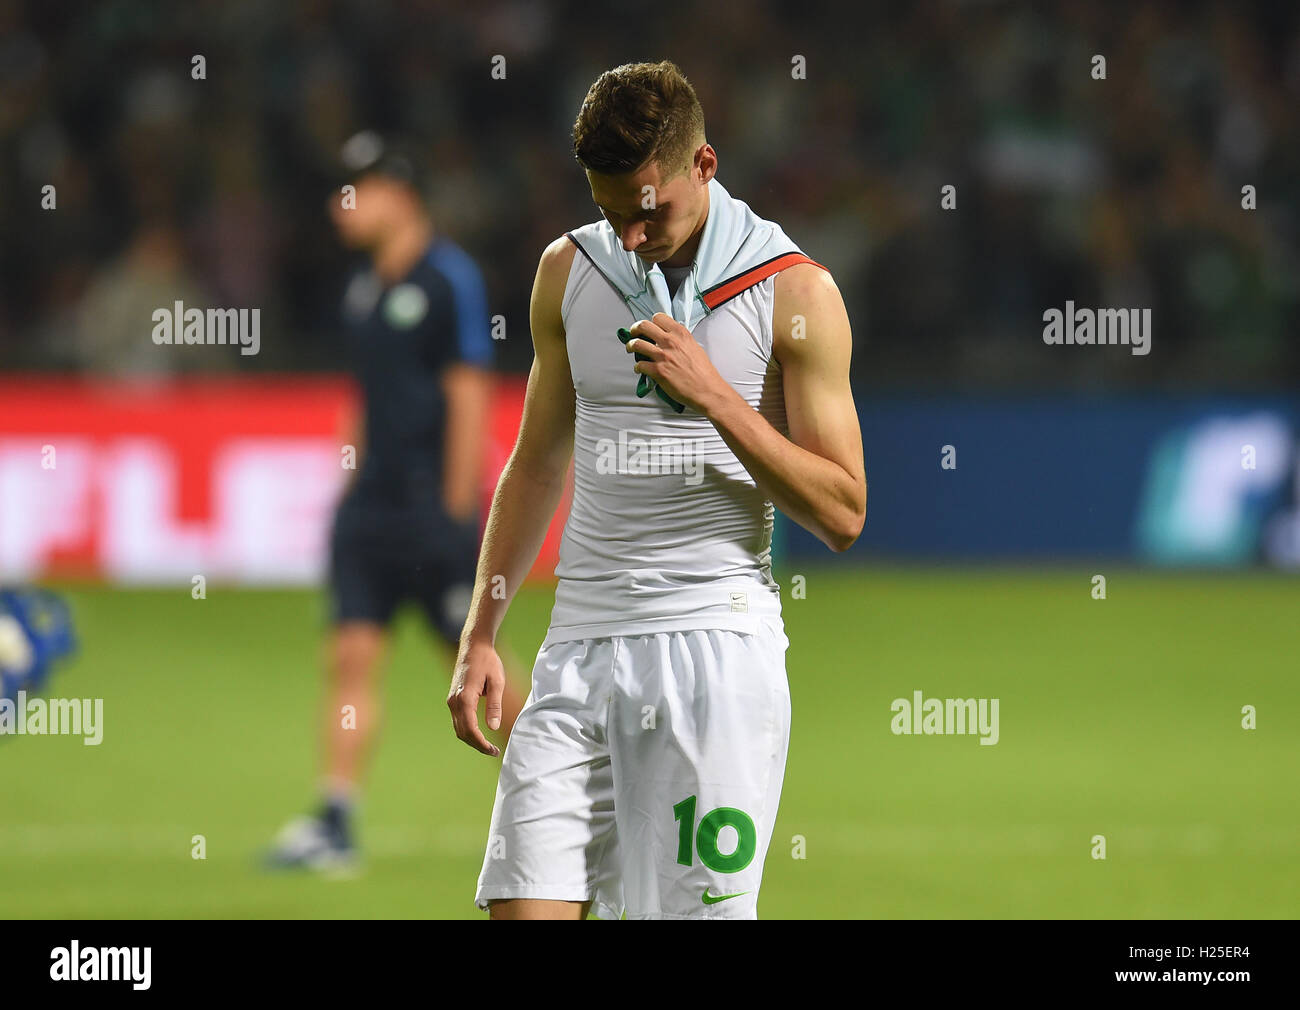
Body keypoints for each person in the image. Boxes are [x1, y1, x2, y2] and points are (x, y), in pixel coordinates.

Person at [447, 62, 867, 918]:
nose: (631, 238)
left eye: (648, 212)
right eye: (610, 214)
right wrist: (482, 629)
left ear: (703, 167)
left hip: (712, 654)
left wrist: (717, 396)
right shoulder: (571, 273)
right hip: (578, 651)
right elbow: (536, 462)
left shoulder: (795, 292)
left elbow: (843, 511)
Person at [267, 131, 526, 871]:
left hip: (428, 511)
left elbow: (470, 391)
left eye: (355, 190)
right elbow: (362, 396)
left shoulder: (449, 280)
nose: (339, 207)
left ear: (398, 194)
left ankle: (567, 786)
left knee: (475, 661)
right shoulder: (362, 289)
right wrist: (346, 486)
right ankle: (337, 820)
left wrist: (455, 511)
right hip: (370, 512)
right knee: (350, 657)